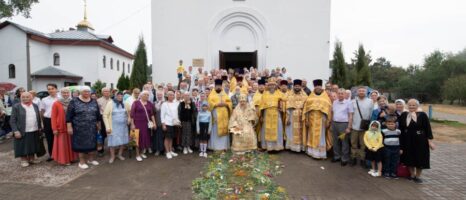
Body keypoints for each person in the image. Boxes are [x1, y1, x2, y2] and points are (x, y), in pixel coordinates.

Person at [399, 99, 435, 184]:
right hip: (407, 139)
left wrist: (430, 141)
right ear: (407, 106)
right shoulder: (404, 114)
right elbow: (401, 128)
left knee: (420, 157)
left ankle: (418, 176)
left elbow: (428, 128)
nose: (411, 107)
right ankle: (412, 174)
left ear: (417, 106)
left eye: (413, 105)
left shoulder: (422, 115)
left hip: (420, 140)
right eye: (410, 105)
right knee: (409, 157)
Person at [66, 86, 101, 169]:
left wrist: (99, 124)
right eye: (85, 91)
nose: (87, 93)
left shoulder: (94, 101)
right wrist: (69, 127)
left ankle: (91, 159)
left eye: (88, 92)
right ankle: (81, 162)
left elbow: (98, 115)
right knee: (80, 145)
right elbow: (68, 116)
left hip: (92, 127)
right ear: (81, 92)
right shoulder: (74, 101)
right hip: (79, 128)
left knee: (92, 143)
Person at [10, 92, 42, 167]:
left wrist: (40, 127)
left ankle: (32, 158)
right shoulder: (16, 106)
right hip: (22, 130)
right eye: (23, 97)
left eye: (27, 97)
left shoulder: (35, 105)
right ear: (21, 98)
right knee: (22, 145)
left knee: (32, 144)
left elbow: (38, 117)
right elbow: (12, 120)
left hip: (34, 129)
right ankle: (23, 160)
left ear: (31, 98)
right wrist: (15, 131)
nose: (25, 98)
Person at [302, 79, 332, 159]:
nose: (318, 87)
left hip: (322, 120)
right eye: (316, 86)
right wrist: (307, 120)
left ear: (321, 87)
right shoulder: (310, 97)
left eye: (319, 86)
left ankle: (320, 153)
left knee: (320, 136)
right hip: (311, 120)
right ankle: (312, 152)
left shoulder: (326, 97)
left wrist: (328, 121)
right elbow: (306, 110)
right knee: (311, 135)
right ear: (314, 87)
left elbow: (329, 110)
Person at [51, 88, 78, 166]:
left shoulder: (73, 102)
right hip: (61, 127)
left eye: (67, 92)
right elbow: (53, 117)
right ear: (61, 93)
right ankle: (64, 160)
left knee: (71, 142)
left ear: (69, 93)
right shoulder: (56, 103)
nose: (65, 94)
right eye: (64, 93)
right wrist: (54, 128)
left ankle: (72, 158)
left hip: (71, 126)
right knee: (63, 145)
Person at [259, 77, 285, 151]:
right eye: (270, 85)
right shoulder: (265, 94)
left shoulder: (279, 94)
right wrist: (261, 116)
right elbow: (262, 106)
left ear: (276, 86)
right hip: (267, 114)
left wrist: (281, 108)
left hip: (276, 114)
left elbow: (283, 103)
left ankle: (277, 147)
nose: (272, 86)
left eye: (273, 85)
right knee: (266, 129)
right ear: (268, 86)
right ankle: (268, 147)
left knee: (277, 130)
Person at [103, 92, 130, 164]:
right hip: (113, 126)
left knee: (122, 141)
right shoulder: (110, 103)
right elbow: (105, 115)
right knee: (112, 142)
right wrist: (107, 127)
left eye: (121, 96)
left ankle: (119, 154)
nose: (120, 97)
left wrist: (129, 119)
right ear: (115, 96)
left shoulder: (125, 103)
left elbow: (129, 113)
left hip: (123, 126)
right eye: (118, 96)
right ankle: (112, 156)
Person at [130, 91, 156, 162]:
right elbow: (132, 114)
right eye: (145, 94)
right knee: (136, 139)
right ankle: (137, 155)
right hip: (137, 123)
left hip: (146, 124)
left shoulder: (150, 103)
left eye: (148, 95)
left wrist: (154, 123)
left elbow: (152, 114)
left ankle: (141, 153)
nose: (146, 96)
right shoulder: (136, 103)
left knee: (144, 138)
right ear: (141, 95)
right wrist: (132, 124)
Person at [351, 86, 373, 167]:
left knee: (363, 144)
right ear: (357, 92)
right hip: (354, 126)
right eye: (360, 91)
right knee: (353, 143)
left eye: (363, 91)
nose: (361, 92)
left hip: (364, 127)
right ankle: (353, 158)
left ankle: (362, 159)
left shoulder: (370, 101)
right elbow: (351, 114)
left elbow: (371, 114)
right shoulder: (353, 101)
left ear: (366, 92)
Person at [207, 79, 232, 151]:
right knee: (215, 130)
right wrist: (216, 104)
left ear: (221, 86)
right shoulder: (212, 94)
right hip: (216, 116)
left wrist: (226, 104)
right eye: (217, 86)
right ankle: (215, 147)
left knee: (224, 129)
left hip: (224, 117)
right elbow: (209, 103)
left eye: (220, 86)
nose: (218, 87)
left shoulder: (224, 93)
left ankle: (223, 147)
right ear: (215, 86)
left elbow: (229, 102)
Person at [331, 89, 354, 166]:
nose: (340, 95)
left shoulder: (349, 103)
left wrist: (349, 127)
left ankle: (344, 158)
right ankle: (337, 156)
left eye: (342, 93)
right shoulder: (334, 102)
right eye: (339, 93)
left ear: (344, 94)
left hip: (344, 124)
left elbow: (350, 115)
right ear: (337, 94)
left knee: (344, 142)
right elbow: (333, 113)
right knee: (335, 141)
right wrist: (331, 123)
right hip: (335, 124)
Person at [284, 79, 308, 152]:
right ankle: (291, 147)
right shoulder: (288, 94)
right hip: (291, 116)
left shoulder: (305, 95)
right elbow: (286, 106)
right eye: (296, 86)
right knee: (291, 131)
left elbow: (307, 106)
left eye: (298, 86)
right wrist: (287, 118)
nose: (297, 87)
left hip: (301, 116)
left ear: (301, 86)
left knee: (301, 132)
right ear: (293, 86)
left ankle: (299, 147)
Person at [39, 83, 58, 162]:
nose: (50, 90)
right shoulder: (44, 99)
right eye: (49, 89)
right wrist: (43, 122)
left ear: (56, 89)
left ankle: (60, 154)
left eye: (52, 88)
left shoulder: (60, 98)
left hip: (59, 120)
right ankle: (52, 155)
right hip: (48, 120)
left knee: (59, 138)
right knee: (49, 139)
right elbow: (42, 111)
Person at [161, 91, 180, 159]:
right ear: (167, 96)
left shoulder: (175, 103)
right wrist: (163, 124)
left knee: (171, 138)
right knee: (167, 138)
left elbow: (177, 114)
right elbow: (162, 115)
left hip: (174, 124)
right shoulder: (164, 104)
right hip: (167, 123)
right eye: (170, 95)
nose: (172, 96)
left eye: (173, 95)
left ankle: (170, 150)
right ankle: (167, 152)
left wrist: (178, 122)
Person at [97, 88, 112, 157]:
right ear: (102, 92)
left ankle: (111, 149)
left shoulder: (112, 100)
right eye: (105, 91)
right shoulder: (98, 100)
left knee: (110, 134)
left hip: (110, 119)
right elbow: (96, 112)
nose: (106, 92)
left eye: (108, 91)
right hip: (101, 118)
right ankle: (101, 150)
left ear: (110, 92)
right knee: (102, 135)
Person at [152, 91, 165, 156]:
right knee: (157, 136)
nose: (159, 96)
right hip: (156, 121)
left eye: (160, 95)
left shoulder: (165, 103)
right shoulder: (154, 103)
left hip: (163, 122)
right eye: (158, 95)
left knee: (163, 136)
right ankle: (157, 149)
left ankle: (163, 149)